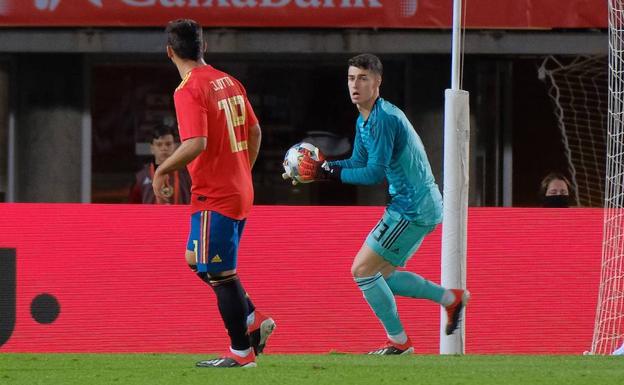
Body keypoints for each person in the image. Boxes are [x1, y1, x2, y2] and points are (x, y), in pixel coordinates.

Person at [284, 53, 469, 354]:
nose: (355, 85)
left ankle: (399, 342)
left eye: (363, 78)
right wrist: (324, 167)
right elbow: (359, 160)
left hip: (412, 208)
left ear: (378, 82)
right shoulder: (365, 119)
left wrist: (326, 173)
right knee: (381, 276)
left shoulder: (384, 120)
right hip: (416, 205)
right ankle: (451, 299)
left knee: (362, 270)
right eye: (351, 78)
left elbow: (374, 172)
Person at [153, 19, 274, 368]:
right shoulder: (229, 81)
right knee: (196, 260)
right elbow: (255, 132)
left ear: (170, 52)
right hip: (237, 190)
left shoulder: (188, 89)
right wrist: (241, 172)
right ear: (203, 47)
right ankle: (253, 319)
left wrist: (162, 168)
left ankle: (241, 352)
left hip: (215, 196)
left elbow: (196, 143)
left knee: (222, 275)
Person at [129, 124, 191, 204]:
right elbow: (132, 206)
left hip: (180, 216)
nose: (164, 148)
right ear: (152, 148)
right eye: (159, 144)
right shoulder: (141, 177)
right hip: (150, 217)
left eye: (168, 144)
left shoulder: (187, 175)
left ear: (175, 146)